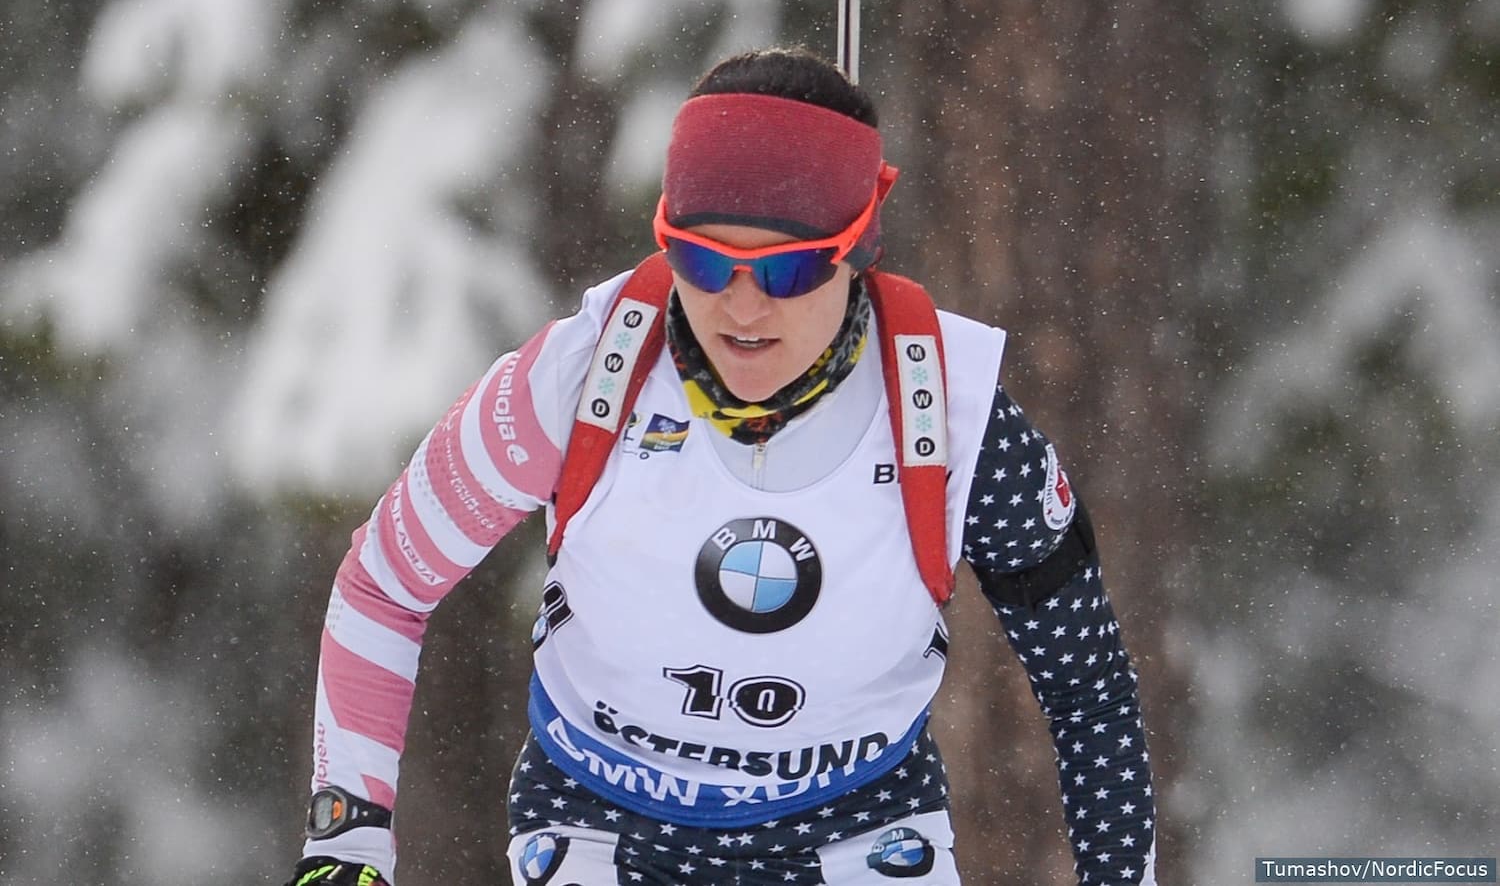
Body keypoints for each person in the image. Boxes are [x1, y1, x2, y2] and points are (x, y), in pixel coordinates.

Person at [283, 46, 1157, 886]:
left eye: (787, 272)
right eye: (702, 261)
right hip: (604, 823)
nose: (741, 307)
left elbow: (1086, 684)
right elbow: (385, 585)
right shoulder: (580, 378)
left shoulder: (951, 413)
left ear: (857, 249)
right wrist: (347, 845)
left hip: (859, 833)